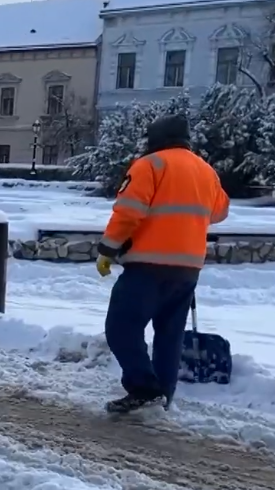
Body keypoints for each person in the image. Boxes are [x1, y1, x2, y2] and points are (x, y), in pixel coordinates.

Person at [96, 114, 228, 414]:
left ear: (156, 138)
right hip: (188, 268)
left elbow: (128, 211)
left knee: (121, 327)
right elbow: (219, 211)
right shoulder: (206, 170)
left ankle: (145, 389)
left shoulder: (150, 164)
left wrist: (107, 249)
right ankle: (163, 395)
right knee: (170, 334)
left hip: (148, 264)